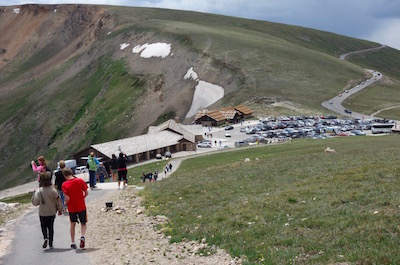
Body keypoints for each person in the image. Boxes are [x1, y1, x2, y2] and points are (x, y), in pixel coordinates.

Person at [31, 172, 62, 249]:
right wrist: (60, 209)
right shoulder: (53, 190)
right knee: (51, 227)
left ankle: (45, 238)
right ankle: (51, 243)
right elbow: (58, 201)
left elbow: (35, 203)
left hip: (42, 213)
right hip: (52, 212)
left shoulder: (39, 191)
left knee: (43, 226)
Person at [62, 168, 88, 249]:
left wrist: (65, 204)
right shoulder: (80, 181)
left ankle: (73, 242)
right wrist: (82, 198)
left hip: (72, 207)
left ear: (65, 176)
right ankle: (82, 236)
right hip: (81, 205)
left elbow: (67, 198)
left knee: (72, 224)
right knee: (83, 223)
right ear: (71, 173)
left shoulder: (64, 184)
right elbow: (86, 192)